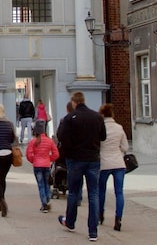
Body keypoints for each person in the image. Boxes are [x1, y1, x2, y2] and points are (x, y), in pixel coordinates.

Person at [57, 91, 106, 241]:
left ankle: (70, 222)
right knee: (93, 194)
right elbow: (103, 136)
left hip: (76, 159)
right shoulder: (97, 117)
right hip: (93, 159)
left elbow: (62, 137)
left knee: (73, 192)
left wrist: (69, 152)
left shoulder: (70, 118)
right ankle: (93, 231)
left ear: (73, 102)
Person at [98, 103, 130, 231]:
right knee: (119, 192)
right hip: (118, 163)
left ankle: (101, 214)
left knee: (101, 190)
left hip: (104, 163)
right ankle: (118, 218)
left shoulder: (100, 128)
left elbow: (97, 145)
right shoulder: (119, 128)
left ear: (102, 114)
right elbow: (125, 147)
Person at [26, 119, 60, 212]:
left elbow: (29, 154)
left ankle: (44, 204)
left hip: (37, 165)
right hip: (46, 164)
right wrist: (49, 158)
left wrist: (34, 160)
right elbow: (56, 154)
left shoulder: (33, 142)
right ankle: (47, 198)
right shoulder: (49, 141)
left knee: (41, 185)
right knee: (47, 183)